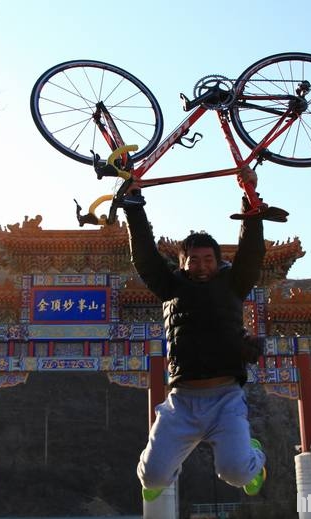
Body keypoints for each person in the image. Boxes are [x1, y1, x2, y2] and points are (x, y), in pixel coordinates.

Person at [119, 169, 269, 502]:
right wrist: (133, 204)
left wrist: (249, 200)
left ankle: (254, 458)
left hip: (225, 398)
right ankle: (161, 471)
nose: (201, 266)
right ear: (182, 263)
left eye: (208, 260)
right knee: (151, 478)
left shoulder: (234, 284)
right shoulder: (170, 287)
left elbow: (251, 252)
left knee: (236, 472)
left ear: (218, 261)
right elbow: (144, 256)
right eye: (194, 260)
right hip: (182, 401)